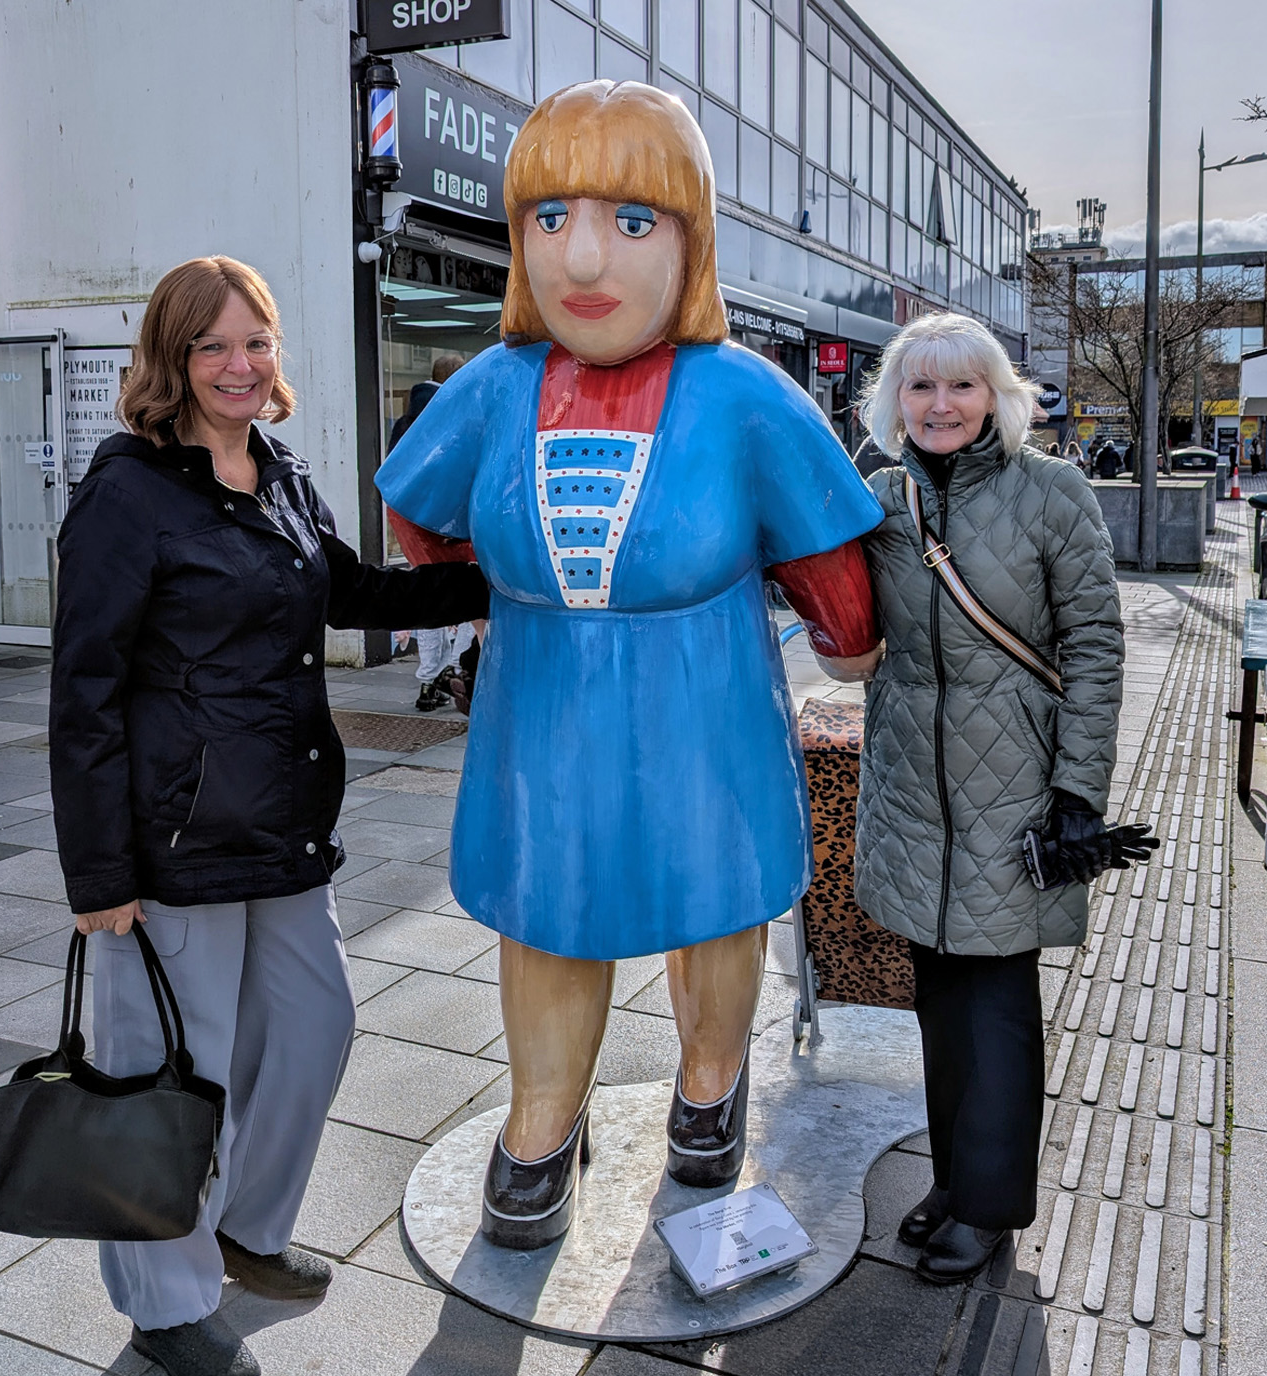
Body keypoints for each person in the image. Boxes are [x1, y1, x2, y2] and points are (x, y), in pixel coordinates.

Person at [376, 80, 883, 1250]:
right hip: (543, 712)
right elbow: (421, 518)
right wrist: (497, 580)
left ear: (690, 240)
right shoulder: (496, 383)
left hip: (704, 705)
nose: (583, 256)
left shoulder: (745, 395)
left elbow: (825, 555)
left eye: (630, 220)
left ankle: (709, 1082)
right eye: (548, 218)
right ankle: (543, 1114)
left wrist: (847, 642)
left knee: (713, 902)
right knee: (547, 910)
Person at [49, 257, 489, 1376]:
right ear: (172, 360)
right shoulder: (126, 492)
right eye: (213, 347)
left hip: (284, 818)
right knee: (174, 1077)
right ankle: (166, 1301)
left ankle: (242, 1229)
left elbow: (354, 593)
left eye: (256, 342)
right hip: (175, 837)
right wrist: (99, 874)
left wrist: (497, 574)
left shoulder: (281, 473)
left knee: (313, 1025)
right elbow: (84, 688)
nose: (240, 366)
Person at [854, 312, 1124, 1284]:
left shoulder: (1049, 492)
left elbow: (1093, 646)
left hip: (1012, 787)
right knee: (936, 997)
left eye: (959, 385)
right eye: (919, 388)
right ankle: (952, 1177)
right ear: (895, 401)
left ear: (994, 393)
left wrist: (1076, 792)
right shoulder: (878, 498)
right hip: (911, 787)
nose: (939, 405)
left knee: (997, 1002)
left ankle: (992, 1204)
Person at [387, 353, 473, 711]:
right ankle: (460, 669)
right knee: (469, 597)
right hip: (451, 525)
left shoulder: (407, 419)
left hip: (411, 522)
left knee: (429, 599)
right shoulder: (454, 413)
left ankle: (428, 680)